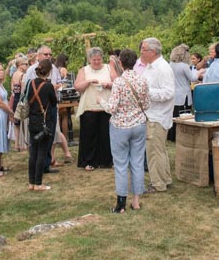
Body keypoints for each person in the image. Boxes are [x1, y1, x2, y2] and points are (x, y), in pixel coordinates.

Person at [107, 49, 150, 213]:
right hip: (139, 125)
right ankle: (136, 201)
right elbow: (146, 105)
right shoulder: (142, 80)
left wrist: (101, 101)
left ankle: (121, 204)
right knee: (137, 162)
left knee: (121, 164)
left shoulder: (118, 82)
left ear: (120, 63)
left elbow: (112, 107)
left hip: (120, 126)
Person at [139, 37, 176, 193]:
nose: (141, 52)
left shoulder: (162, 68)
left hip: (157, 116)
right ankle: (165, 179)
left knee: (154, 152)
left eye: (143, 49)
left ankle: (158, 183)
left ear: (152, 52)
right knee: (159, 150)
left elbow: (169, 92)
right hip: (152, 114)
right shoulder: (151, 67)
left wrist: (147, 93)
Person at [74, 47, 114, 170]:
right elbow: (78, 87)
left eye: (99, 59)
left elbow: (118, 83)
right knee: (89, 136)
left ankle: (106, 161)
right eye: (94, 60)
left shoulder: (108, 68)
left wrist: (108, 85)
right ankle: (89, 161)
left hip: (106, 107)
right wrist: (88, 81)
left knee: (106, 135)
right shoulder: (84, 70)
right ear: (89, 60)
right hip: (89, 107)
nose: (96, 62)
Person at [26, 59, 58, 191]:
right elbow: (54, 102)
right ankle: (38, 183)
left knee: (33, 151)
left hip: (32, 121)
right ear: (49, 72)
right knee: (42, 152)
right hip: (44, 123)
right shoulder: (48, 86)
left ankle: (31, 182)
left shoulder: (30, 83)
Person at [168, 44, 196, 141]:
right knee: (184, 115)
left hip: (174, 93)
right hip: (184, 94)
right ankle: (182, 135)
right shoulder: (184, 66)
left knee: (174, 115)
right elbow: (193, 78)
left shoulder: (170, 64)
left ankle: (171, 135)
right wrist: (200, 72)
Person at [10, 56, 30, 152]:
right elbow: (23, 91)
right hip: (21, 100)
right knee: (23, 122)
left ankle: (17, 144)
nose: (27, 66)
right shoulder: (22, 75)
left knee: (16, 124)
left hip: (15, 99)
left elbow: (12, 89)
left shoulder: (14, 74)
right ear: (20, 65)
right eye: (25, 64)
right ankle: (24, 143)